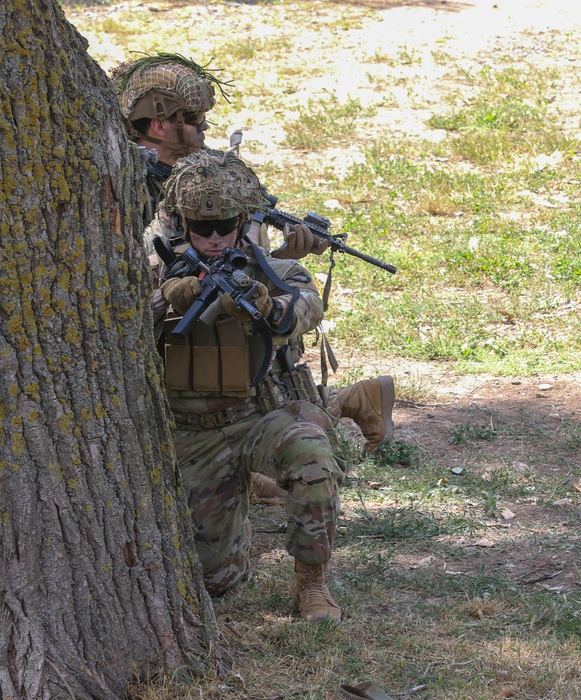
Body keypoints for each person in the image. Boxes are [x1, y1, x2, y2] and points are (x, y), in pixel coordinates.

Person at [112, 53, 397, 460]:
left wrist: (280, 257)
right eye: (194, 119)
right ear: (160, 124)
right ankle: (348, 400)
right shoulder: (125, 177)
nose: (205, 126)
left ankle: (330, 407)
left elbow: (244, 255)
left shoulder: (214, 173)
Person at [152, 150, 344, 622]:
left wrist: (266, 305)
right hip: (190, 435)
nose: (215, 238)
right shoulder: (151, 265)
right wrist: (161, 299)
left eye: (226, 226)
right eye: (202, 226)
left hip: (258, 418)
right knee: (218, 581)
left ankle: (312, 584)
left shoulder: (271, 269)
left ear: (244, 221)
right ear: (179, 221)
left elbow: (306, 309)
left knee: (312, 458)